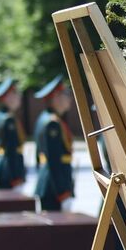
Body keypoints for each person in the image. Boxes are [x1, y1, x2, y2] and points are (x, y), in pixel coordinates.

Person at [33, 76, 74, 210]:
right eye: (65, 94)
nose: (69, 98)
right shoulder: (52, 123)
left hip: (49, 183)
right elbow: (53, 160)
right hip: (54, 187)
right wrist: (62, 192)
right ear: (56, 97)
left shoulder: (45, 118)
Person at [0, 78, 27, 191]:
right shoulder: (8, 120)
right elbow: (11, 149)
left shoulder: (0, 115)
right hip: (9, 171)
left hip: (3, 168)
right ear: (7, 98)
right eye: (15, 94)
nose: (19, 97)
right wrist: (16, 176)